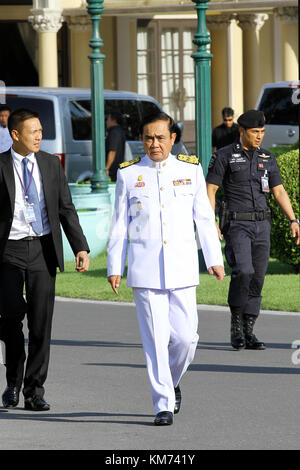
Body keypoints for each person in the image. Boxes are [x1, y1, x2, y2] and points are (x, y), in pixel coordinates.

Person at [107, 111, 224, 426]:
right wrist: (115, 265)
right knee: (156, 340)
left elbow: (203, 216)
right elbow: (120, 223)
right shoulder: (130, 174)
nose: (154, 144)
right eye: (148, 137)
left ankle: (171, 382)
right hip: (145, 271)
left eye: (160, 137)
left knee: (186, 338)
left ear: (173, 138)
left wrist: (214, 258)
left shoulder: (190, 169)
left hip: (182, 268)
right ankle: (163, 404)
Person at [0, 108, 90, 411]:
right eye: (33, 131)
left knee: (41, 323)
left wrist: (80, 246)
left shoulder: (51, 164)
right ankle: (13, 381)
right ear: (15, 135)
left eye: (41, 130)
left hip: (41, 248)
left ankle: (34, 391)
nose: (39, 136)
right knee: (10, 320)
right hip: (7, 251)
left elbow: (66, 207)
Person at [206, 109, 300, 351]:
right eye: (255, 132)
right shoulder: (225, 156)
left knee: (257, 278)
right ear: (241, 131)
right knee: (244, 272)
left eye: (262, 132)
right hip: (237, 224)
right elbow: (211, 190)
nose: (259, 136)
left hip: (262, 225)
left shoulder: (267, 158)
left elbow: (278, 191)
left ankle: (249, 331)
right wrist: (210, 222)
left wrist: (293, 219)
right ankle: (235, 327)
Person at [105, 111, 126, 182]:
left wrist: (107, 168)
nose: (106, 122)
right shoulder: (119, 131)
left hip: (112, 170)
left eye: (107, 119)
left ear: (113, 120)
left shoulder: (114, 132)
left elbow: (112, 151)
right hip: (117, 168)